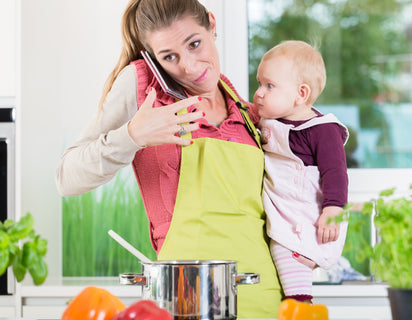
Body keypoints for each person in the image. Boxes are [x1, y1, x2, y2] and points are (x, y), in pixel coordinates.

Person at [55, 0, 282, 317]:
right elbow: (66, 178)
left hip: (262, 291)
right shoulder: (143, 86)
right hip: (184, 296)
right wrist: (133, 135)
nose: (189, 66)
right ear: (152, 57)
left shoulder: (245, 110)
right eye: (169, 57)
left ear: (212, 25)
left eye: (194, 44)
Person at [253, 40, 349, 303]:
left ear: (301, 94)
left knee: (290, 260)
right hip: (280, 208)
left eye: (269, 86)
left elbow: (336, 173)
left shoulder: (323, 129)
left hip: (304, 216)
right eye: (259, 83)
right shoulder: (266, 120)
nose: (259, 93)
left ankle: (301, 306)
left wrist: (333, 209)